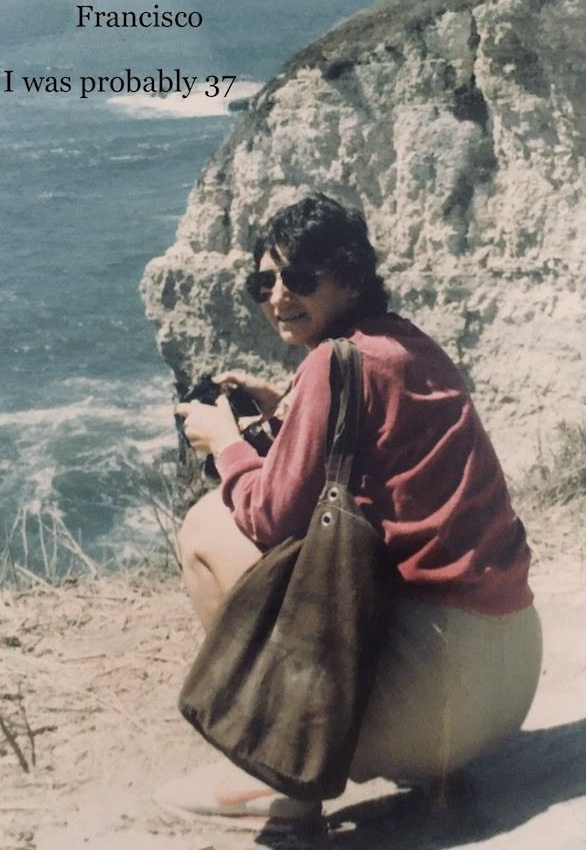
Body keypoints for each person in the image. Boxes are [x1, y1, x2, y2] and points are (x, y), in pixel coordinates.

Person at [156, 193, 542, 827]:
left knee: (207, 524)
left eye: (301, 277)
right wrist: (288, 403)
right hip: (503, 688)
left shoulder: (330, 368)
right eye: (265, 281)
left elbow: (268, 518)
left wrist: (223, 442)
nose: (279, 295)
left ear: (352, 278)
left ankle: (285, 778)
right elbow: (381, 452)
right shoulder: (407, 345)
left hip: (428, 708)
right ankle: (405, 767)